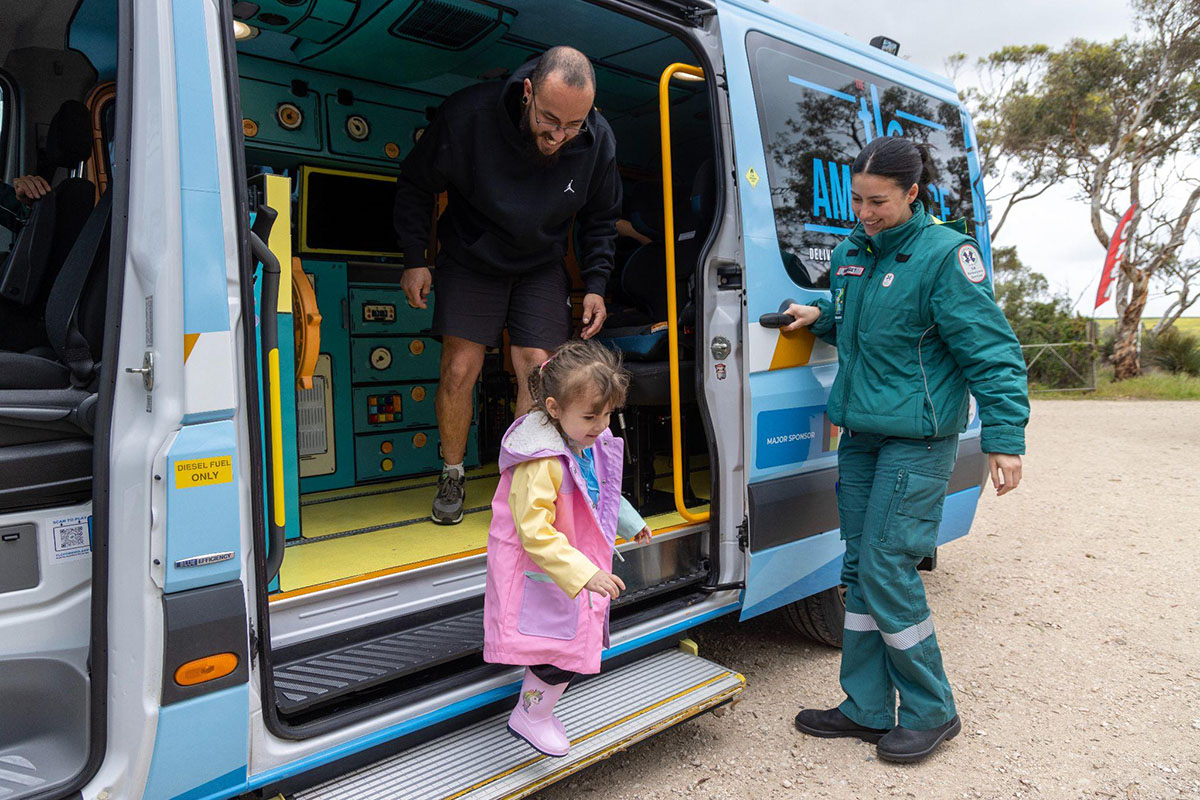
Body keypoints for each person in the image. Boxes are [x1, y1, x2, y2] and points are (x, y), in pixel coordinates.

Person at [783, 137, 1029, 763]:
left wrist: (1004, 438)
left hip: (917, 439)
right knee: (859, 569)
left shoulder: (946, 256)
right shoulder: (850, 254)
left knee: (889, 567)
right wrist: (819, 315)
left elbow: (992, 352)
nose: (865, 213)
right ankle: (865, 707)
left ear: (913, 193)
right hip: (861, 436)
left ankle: (931, 710)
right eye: (858, 200)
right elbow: (857, 316)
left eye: (879, 202)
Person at [393, 46, 621, 525]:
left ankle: (522, 485)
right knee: (460, 366)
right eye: (549, 119)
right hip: (472, 254)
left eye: (573, 125)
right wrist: (417, 258)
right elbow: (415, 183)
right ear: (527, 93)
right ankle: (452, 472)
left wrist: (596, 281)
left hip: (540, 262)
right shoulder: (468, 116)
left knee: (539, 370)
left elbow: (601, 216)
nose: (559, 136)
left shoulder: (596, 139)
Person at [482, 339, 651, 757]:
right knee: (559, 652)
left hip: (566, 567)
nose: (600, 425)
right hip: (548, 569)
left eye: (608, 413)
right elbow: (534, 531)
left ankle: (539, 711)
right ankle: (530, 715)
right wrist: (584, 573)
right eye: (591, 415)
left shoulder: (580, 442)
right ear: (554, 409)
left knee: (565, 645)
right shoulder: (540, 461)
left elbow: (600, 496)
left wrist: (630, 523)